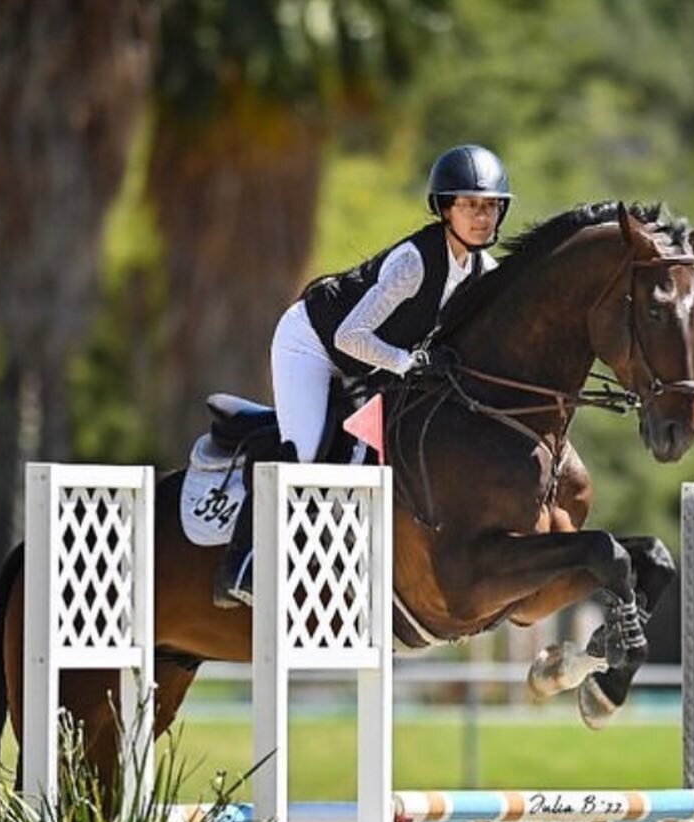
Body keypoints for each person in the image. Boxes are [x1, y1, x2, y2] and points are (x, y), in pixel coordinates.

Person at [215, 143, 513, 607]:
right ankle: (244, 563)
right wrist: (408, 363)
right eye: (470, 205)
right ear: (445, 209)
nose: (483, 217)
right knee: (309, 450)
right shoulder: (413, 263)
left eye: (491, 206)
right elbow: (349, 337)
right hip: (313, 344)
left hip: (376, 362)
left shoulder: (483, 270)